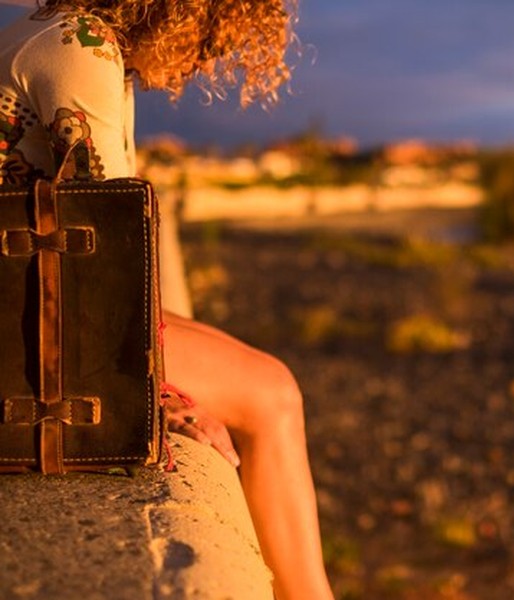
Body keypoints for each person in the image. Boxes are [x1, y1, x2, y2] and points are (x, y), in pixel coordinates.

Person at [0, 1, 335, 598]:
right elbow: (105, 270)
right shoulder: (82, 48)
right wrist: (154, 394)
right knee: (272, 396)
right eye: (211, 33)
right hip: (28, 325)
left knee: (258, 369)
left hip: (31, 293)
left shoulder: (61, 32)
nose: (204, 57)